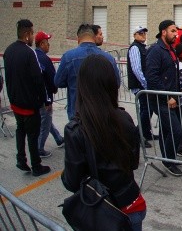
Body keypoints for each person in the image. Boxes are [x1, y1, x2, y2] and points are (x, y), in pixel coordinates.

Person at [62, 53, 146, 230]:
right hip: (131, 203)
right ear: (111, 84)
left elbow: (72, 181)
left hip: (102, 211)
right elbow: (133, 162)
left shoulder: (75, 130)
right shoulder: (124, 118)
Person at [3, 18, 50, 176]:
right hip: (29, 104)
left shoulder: (8, 51)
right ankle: (36, 166)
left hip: (15, 102)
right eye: (31, 33)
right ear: (27, 34)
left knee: (20, 130)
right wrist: (45, 100)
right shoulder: (29, 53)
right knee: (32, 135)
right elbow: (38, 79)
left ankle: (21, 159)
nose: (32, 36)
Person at [54, 23, 120, 121]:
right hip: (103, 114)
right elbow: (116, 83)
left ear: (78, 38)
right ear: (94, 37)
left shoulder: (68, 57)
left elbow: (58, 82)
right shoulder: (108, 58)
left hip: (77, 114)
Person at [145, 19, 182, 176]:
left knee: (166, 130)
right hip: (160, 99)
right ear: (163, 32)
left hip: (171, 98)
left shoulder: (170, 49)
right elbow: (152, 77)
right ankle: (168, 160)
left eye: (176, 31)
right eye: (173, 31)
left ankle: (169, 158)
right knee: (176, 131)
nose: (176, 34)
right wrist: (167, 96)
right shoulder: (155, 50)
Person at [34, 31, 63, 157]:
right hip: (44, 97)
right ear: (41, 44)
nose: (49, 45)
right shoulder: (44, 59)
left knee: (46, 119)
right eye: (47, 42)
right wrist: (49, 100)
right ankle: (39, 149)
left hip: (35, 96)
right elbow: (52, 80)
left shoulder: (33, 55)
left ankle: (58, 138)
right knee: (45, 121)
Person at [127, 26, 152, 147]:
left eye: (144, 33)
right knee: (145, 110)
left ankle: (146, 133)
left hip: (144, 85)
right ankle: (137, 135)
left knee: (148, 109)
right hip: (140, 86)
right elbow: (137, 69)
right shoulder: (135, 48)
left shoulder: (142, 47)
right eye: (140, 33)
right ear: (134, 35)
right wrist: (145, 84)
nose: (143, 35)